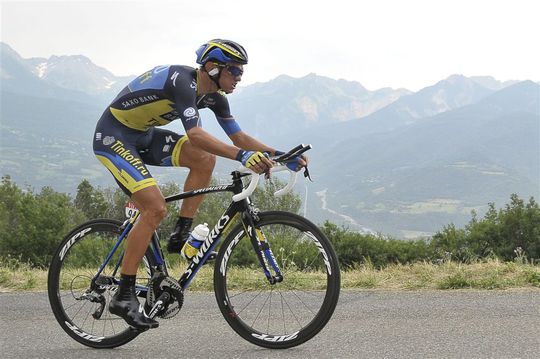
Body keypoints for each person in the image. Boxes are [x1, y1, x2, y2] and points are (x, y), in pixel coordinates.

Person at [92, 39, 306, 329]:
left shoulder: (215, 98)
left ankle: (181, 234)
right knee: (154, 209)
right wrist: (243, 157)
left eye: (241, 72)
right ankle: (124, 294)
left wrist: (280, 155)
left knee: (204, 160)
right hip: (113, 136)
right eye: (235, 71)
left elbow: (238, 138)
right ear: (212, 68)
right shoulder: (182, 81)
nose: (239, 78)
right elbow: (195, 134)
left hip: (143, 135)